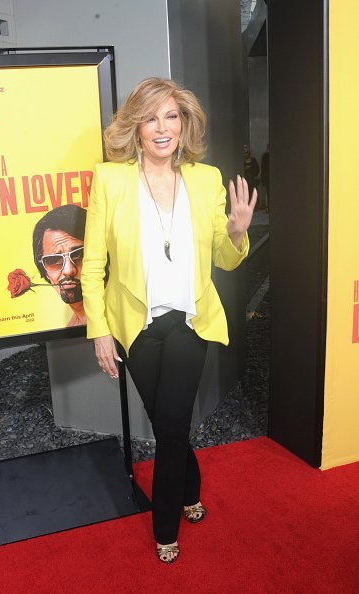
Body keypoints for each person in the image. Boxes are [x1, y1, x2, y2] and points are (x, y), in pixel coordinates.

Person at [81, 77, 256, 564]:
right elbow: (93, 265)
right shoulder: (111, 181)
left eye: (172, 117)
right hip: (135, 326)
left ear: (184, 125)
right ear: (136, 128)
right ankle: (191, 489)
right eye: (151, 118)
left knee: (172, 424)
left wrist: (238, 233)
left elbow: (223, 257)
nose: (163, 128)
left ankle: (164, 530)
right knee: (168, 425)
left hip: (188, 324)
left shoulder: (205, 178)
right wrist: (99, 329)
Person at [33, 204, 87, 327]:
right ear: (44, 270)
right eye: (54, 260)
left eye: (78, 255)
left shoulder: (123, 315)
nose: (68, 270)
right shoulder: (70, 329)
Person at [261, 144, 270, 212]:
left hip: (266, 176)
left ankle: (267, 208)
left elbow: (262, 167)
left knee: (267, 191)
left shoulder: (264, 156)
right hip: (269, 175)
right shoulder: (268, 156)